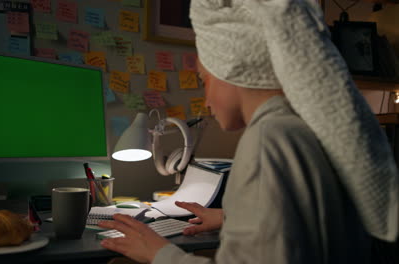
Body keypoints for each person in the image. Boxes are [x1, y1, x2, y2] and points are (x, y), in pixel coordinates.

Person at [99, 0, 399, 263]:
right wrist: (231, 218)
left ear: (232, 68)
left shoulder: (269, 139)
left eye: (204, 79)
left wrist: (157, 253)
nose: (205, 101)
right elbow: (310, 227)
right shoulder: (304, 130)